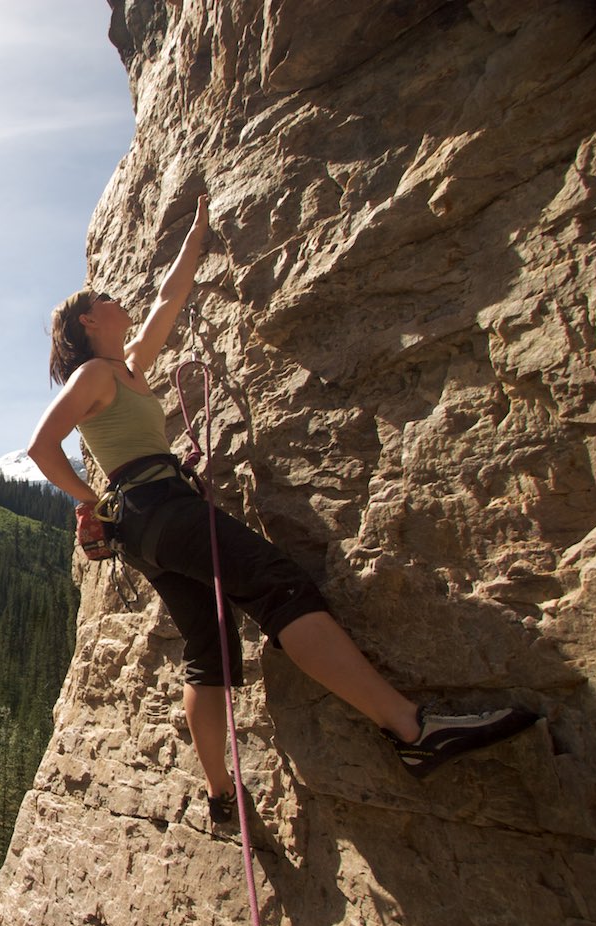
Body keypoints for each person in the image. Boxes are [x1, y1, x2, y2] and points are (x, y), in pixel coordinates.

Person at [27, 193, 536, 823]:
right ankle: (410, 730)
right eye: (102, 299)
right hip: (156, 505)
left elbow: (168, 299)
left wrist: (198, 230)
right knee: (280, 588)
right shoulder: (94, 376)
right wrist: (91, 498)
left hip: (148, 526)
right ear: (86, 324)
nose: (114, 298)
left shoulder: (126, 367)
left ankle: (219, 796)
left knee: (208, 649)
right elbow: (41, 446)